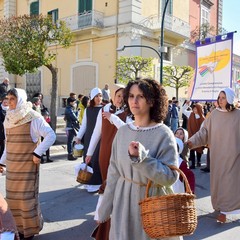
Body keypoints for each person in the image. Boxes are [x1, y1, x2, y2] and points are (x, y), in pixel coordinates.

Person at [97, 78, 180, 240]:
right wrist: (104, 208)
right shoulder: (122, 132)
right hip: (123, 203)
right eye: (131, 96)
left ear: (151, 101)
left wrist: (143, 159)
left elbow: (170, 177)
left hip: (152, 205)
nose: (134, 101)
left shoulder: (164, 134)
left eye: (140, 96)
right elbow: (113, 172)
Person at [0, 88, 56, 240]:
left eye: (13, 98)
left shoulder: (33, 117)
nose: (10, 102)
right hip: (12, 170)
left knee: (26, 202)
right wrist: (1, 163)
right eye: (8, 98)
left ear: (20, 100)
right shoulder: (8, 119)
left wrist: (38, 153)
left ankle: (29, 232)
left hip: (27, 168)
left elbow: (51, 135)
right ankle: (17, 230)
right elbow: (8, 145)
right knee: (12, 201)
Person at [187, 87, 240, 223]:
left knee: (230, 184)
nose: (220, 100)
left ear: (230, 99)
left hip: (234, 157)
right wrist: (191, 142)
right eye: (219, 98)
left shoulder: (238, 115)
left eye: (223, 98)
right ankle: (220, 208)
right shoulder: (214, 114)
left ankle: (224, 211)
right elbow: (204, 133)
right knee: (219, 184)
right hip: (217, 157)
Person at [87, 84, 131, 239]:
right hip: (104, 154)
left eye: (123, 96)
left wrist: (114, 119)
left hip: (120, 155)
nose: (120, 99)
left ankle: (113, 219)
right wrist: (89, 153)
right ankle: (102, 216)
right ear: (112, 96)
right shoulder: (103, 111)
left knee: (117, 185)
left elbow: (128, 130)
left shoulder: (129, 113)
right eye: (117, 96)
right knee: (106, 184)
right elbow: (96, 133)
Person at [75, 88, 103, 193]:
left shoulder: (104, 109)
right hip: (88, 138)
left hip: (100, 139)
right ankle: (88, 180)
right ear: (92, 97)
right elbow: (84, 125)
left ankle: (97, 183)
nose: (99, 98)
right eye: (96, 96)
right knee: (88, 159)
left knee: (96, 160)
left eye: (100, 96)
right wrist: (78, 137)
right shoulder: (88, 110)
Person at [182, 101, 205, 169]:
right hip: (191, 136)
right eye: (194, 108)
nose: (194, 110)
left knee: (199, 149)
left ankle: (198, 161)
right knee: (191, 149)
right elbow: (183, 110)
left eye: (196, 108)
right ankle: (193, 164)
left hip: (199, 137)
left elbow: (203, 128)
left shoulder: (202, 118)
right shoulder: (190, 114)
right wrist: (187, 104)